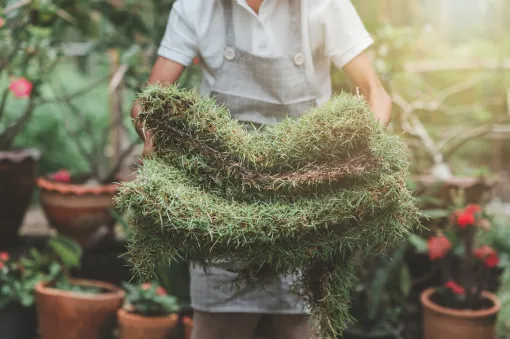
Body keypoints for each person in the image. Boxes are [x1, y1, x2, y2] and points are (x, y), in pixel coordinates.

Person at [131, 0, 392, 338]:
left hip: (307, 203)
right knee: (217, 326)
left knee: (303, 322)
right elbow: (149, 101)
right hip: (223, 205)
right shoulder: (196, 6)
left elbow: (375, 93)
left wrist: (363, 149)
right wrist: (152, 132)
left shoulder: (324, 4)